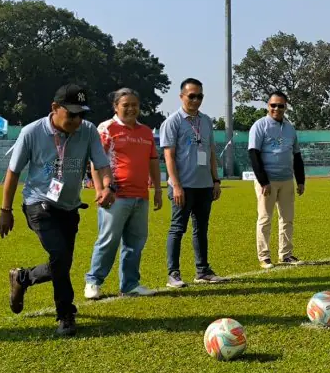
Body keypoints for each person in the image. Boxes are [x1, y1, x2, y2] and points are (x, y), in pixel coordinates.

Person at [0, 84, 115, 337]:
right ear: (54, 108)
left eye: (81, 114)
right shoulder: (31, 132)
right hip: (38, 204)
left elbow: (102, 164)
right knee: (60, 256)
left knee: (61, 263)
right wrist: (5, 210)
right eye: (71, 114)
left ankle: (23, 278)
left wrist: (107, 186)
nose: (77, 120)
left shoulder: (88, 131)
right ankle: (65, 314)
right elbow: (13, 172)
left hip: (70, 207)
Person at [84, 88, 164, 299]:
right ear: (116, 106)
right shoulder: (107, 128)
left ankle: (130, 284)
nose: (131, 109)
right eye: (125, 105)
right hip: (115, 195)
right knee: (108, 240)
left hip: (141, 195)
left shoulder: (146, 131)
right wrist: (101, 189)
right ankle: (93, 282)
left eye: (134, 105)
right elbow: (96, 161)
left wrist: (157, 189)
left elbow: (153, 161)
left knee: (135, 243)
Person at [161, 78, 228, 288]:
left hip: (204, 185)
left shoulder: (207, 121)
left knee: (201, 229)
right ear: (182, 96)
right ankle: (174, 274)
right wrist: (176, 185)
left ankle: (203, 271)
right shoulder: (173, 122)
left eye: (200, 96)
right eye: (192, 96)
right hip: (183, 186)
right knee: (177, 229)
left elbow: (211, 153)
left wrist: (215, 180)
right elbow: (169, 156)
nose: (196, 100)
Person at [247, 91, 306, 268]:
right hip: (268, 182)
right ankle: (264, 256)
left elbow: (296, 155)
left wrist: (300, 180)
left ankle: (286, 254)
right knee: (265, 219)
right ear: (268, 106)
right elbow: (253, 154)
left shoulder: (290, 128)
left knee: (287, 219)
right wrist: (263, 181)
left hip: (287, 180)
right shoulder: (260, 126)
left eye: (280, 106)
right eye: (273, 105)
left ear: (285, 107)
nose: (277, 109)